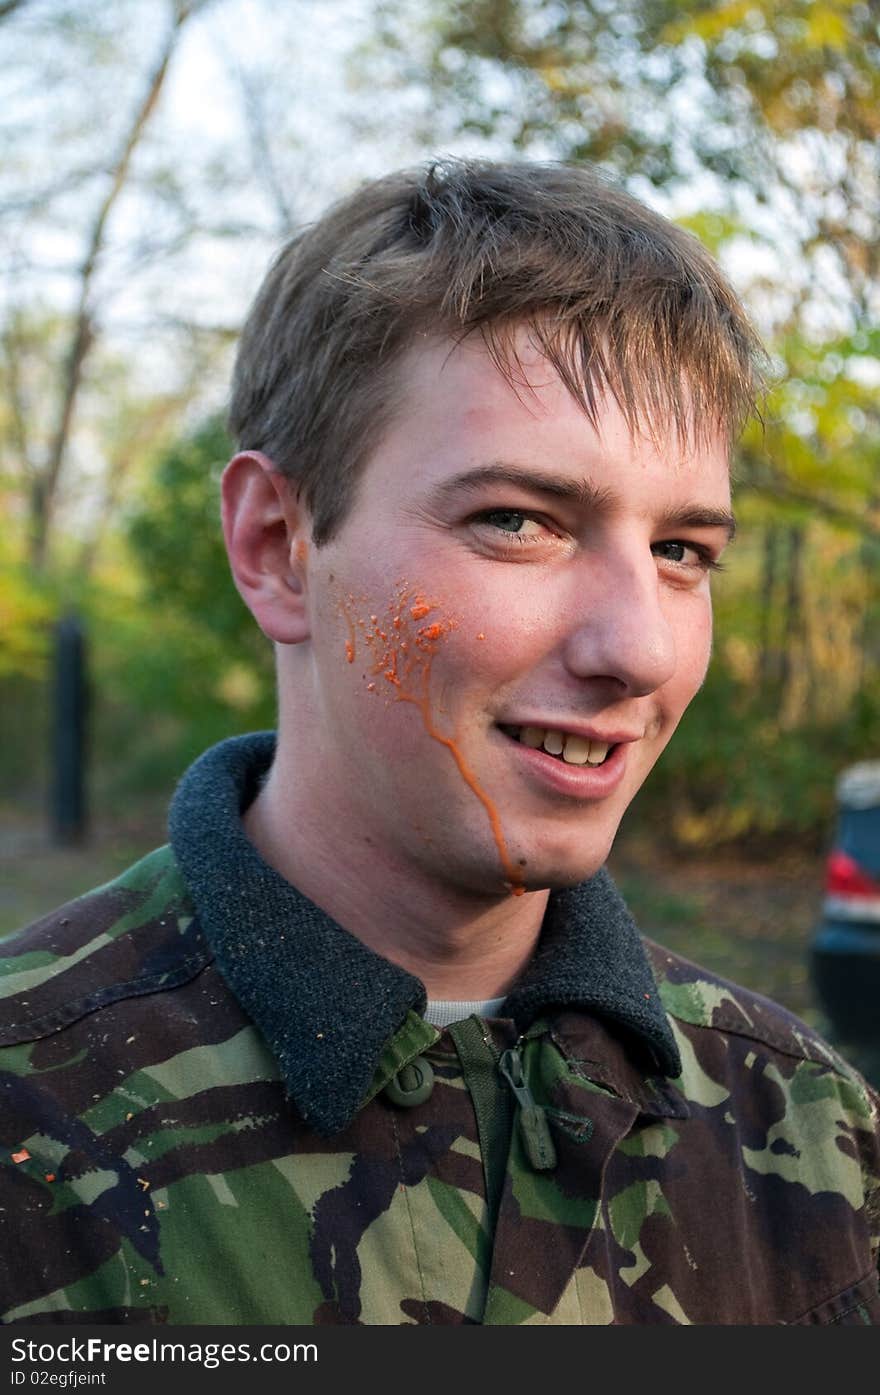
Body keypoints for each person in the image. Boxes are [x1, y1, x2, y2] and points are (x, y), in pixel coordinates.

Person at [1, 160, 878, 1327]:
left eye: (683, 552)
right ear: (276, 547)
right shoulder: (30, 1117)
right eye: (519, 522)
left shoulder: (809, 1130)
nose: (642, 651)